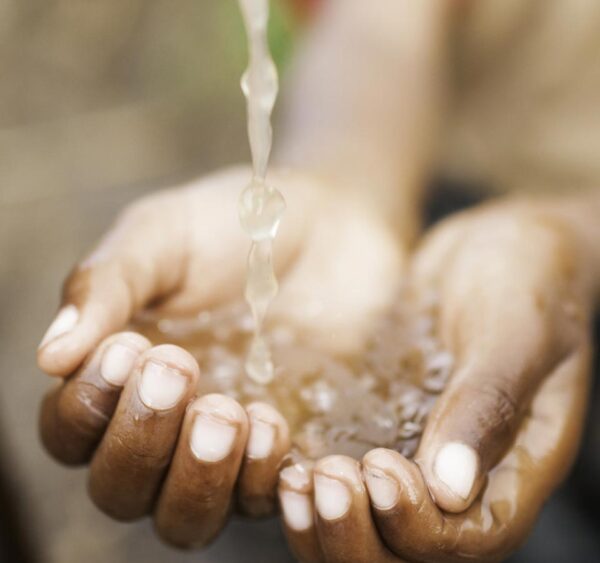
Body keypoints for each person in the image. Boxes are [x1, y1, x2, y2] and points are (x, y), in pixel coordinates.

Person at [37, 0, 600, 560]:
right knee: (301, 467)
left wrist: (578, 242)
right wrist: (350, 178)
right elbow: (384, 21)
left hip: (546, 254)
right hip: (461, 221)